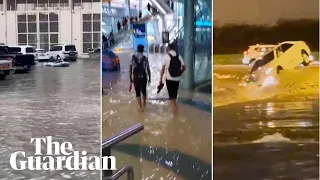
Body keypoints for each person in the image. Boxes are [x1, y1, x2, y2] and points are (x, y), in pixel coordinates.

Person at [159, 43, 186, 118]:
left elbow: (163, 69)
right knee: (174, 96)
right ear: (174, 48)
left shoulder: (166, 56)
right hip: (177, 79)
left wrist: (160, 80)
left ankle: (174, 116)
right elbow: (184, 67)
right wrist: (180, 73)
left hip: (170, 79)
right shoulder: (179, 56)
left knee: (171, 98)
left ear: (168, 48)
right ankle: (175, 111)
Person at [130, 45, 151, 112]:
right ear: (142, 50)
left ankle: (140, 107)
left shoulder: (132, 57)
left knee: (137, 92)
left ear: (137, 49)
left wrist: (130, 77)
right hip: (143, 77)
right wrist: (149, 79)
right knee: (144, 91)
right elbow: (148, 69)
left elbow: (130, 68)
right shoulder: (145, 58)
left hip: (136, 77)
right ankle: (144, 103)